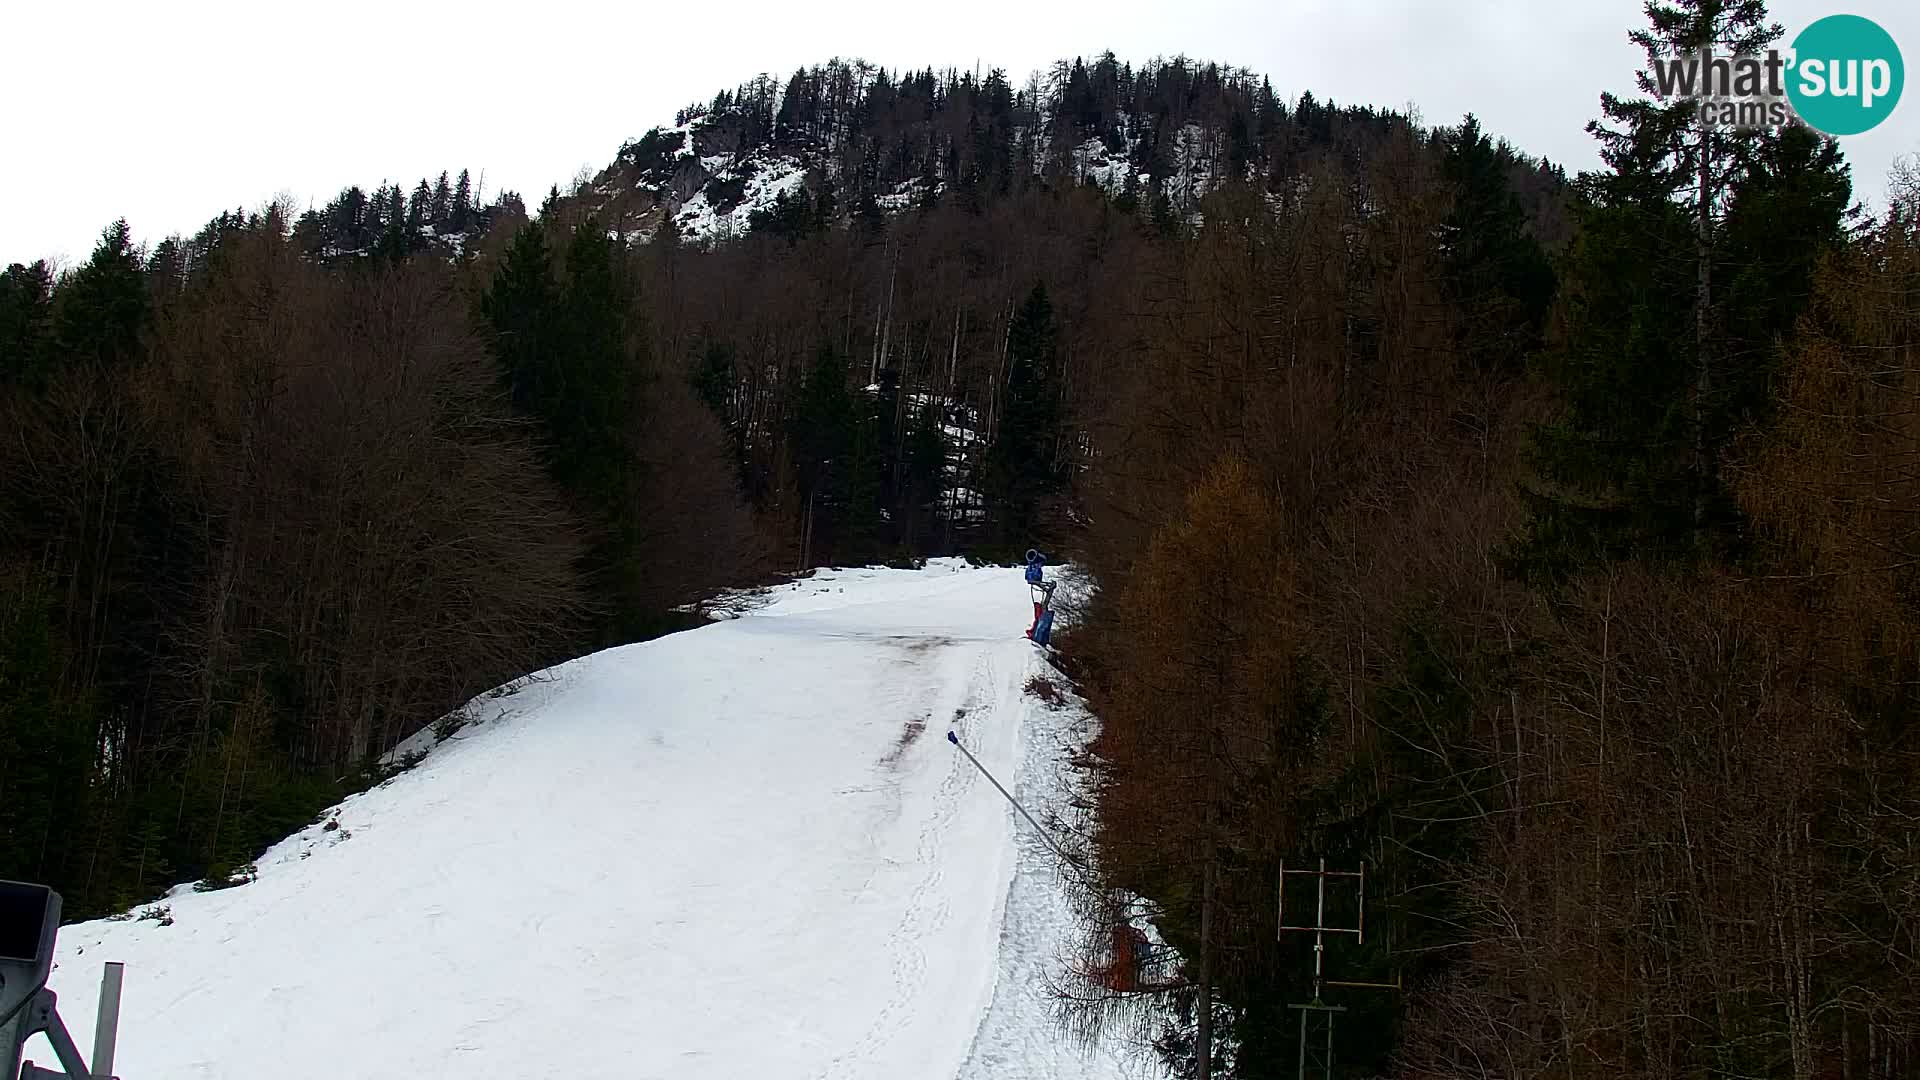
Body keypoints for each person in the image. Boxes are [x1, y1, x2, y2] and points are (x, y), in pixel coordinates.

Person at [1024, 549, 1056, 641]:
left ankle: (1037, 633)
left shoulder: (1034, 567)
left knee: (1040, 611)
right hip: (1037, 589)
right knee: (1039, 611)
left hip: (1037, 589)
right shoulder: (1033, 567)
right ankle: (1037, 634)